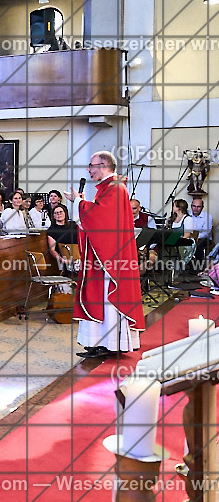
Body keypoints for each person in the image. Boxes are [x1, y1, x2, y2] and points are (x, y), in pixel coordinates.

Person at [65, 150, 145, 357]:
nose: (88, 170)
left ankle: (111, 343)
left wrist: (78, 203)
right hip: (105, 255)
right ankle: (102, 342)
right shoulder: (109, 188)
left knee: (109, 297)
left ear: (103, 166)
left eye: (91, 166)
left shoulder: (115, 189)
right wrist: (81, 203)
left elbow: (101, 218)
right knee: (100, 296)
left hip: (112, 257)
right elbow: (97, 215)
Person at [47, 205, 79, 272]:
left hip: (78, 256)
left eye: (61, 212)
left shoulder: (73, 225)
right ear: (53, 216)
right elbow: (52, 250)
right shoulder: (52, 230)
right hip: (65, 259)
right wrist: (62, 260)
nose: (59, 214)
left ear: (65, 213)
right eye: (56, 213)